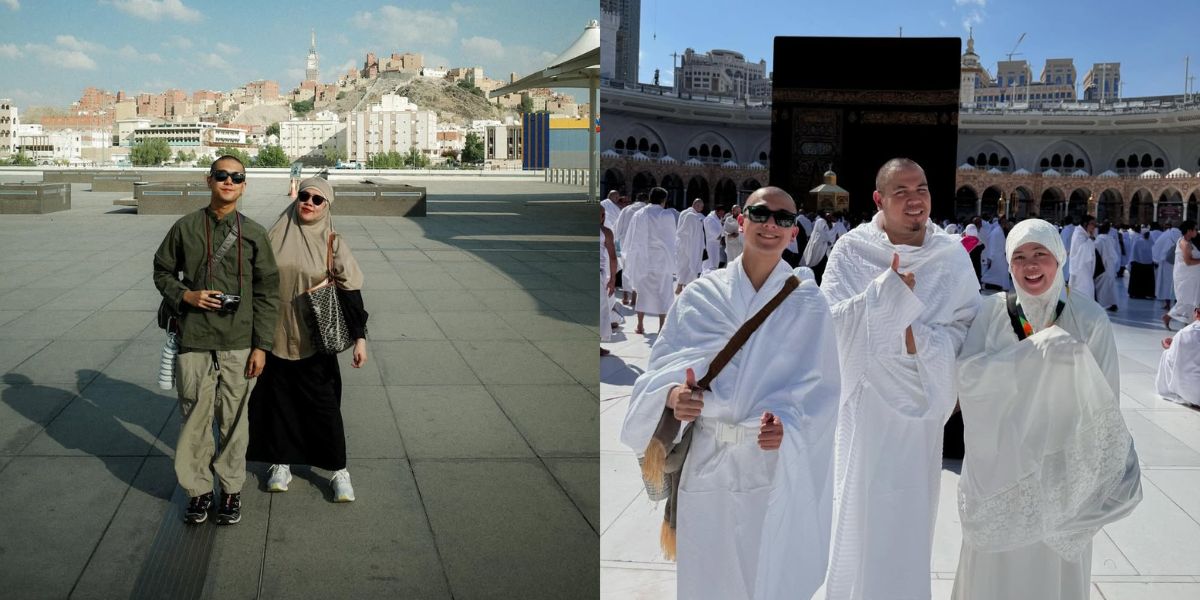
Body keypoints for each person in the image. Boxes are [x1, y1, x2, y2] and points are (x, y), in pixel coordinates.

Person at [621, 186, 840, 600]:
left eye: (783, 219)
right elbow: (660, 370)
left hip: (769, 466)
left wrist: (789, 426)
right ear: (741, 220)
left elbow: (824, 390)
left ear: (795, 233)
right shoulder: (702, 295)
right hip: (708, 465)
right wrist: (672, 397)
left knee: (766, 578)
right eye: (760, 214)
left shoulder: (809, 304)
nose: (770, 225)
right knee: (707, 579)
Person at [953, 218, 1142, 600]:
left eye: (1041, 254)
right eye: (1019, 256)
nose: (1030, 265)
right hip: (1002, 468)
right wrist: (1034, 354)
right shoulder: (992, 313)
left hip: (1063, 471)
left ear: (1060, 258)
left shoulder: (1089, 319)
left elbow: (1106, 399)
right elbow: (967, 379)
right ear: (1008, 264)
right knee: (998, 570)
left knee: (1052, 571)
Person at [821, 158, 980, 600]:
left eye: (922, 189)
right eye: (902, 191)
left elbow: (969, 331)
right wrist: (883, 297)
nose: (915, 200)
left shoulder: (950, 256)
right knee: (857, 516)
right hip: (865, 411)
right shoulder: (852, 251)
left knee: (908, 524)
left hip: (919, 417)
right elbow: (828, 327)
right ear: (879, 199)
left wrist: (916, 338)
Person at [153, 155, 281, 525]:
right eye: (222, 175)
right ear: (208, 181)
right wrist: (185, 296)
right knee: (194, 415)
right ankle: (198, 491)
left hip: (239, 340)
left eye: (236, 177)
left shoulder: (254, 233)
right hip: (193, 337)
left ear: (244, 185)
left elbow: (268, 293)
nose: (229, 181)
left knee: (234, 419)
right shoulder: (185, 228)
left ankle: (231, 489)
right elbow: (162, 270)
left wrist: (262, 345)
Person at [247, 177, 368, 503]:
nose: (309, 203)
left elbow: (351, 289)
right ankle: (281, 464)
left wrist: (360, 338)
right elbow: (253, 281)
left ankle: (339, 471)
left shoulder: (332, 241)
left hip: (315, 338)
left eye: (318, 200)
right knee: (278, 403)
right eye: (305, 196)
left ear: (327, 206)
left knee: (323, 407)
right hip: (274, 336)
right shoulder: (274, 234)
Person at [626, 187, 678, 334]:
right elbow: (671, 239)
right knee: (664, 292)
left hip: (643, 259)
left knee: (642, 291)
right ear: (664, 200)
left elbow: (633, 238)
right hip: (661, 260)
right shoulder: (666, 215)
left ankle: (640, 325)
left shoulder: (639, 214)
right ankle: (661, 326)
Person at [1157, 305, 1200, 407]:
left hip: (1191, 395)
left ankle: (1175, 389)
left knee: (1166, 354)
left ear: (1197, 313)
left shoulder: (1184, 333)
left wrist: (1171, 345)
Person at [1165, 220, 1200, 328]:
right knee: (1186, 300)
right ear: (1189, 231)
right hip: (1186, 277)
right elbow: (1188, 262)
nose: (1196, 231)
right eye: (1195, 229)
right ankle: (1168, 317)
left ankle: (1188, 323)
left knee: (1192, 299)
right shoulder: (1184, 243)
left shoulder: (1189, 242)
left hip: (1192, 276)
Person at [616, 193, 646, 306]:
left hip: (625, 244)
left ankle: (625, 297)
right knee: (638, 271)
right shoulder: (646, 210)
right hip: (641, 245)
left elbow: (618, 227)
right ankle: (634, 299)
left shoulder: (626, 209)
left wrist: (617, 243)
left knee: (626, 269)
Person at [675, 199, 706, 293]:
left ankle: (684, 286)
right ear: (694, 205)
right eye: (699, 206)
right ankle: (680, 286)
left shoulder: (695, 215)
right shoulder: (689, 215)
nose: (700, 208)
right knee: (686, 265)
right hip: (688, 245)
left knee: (688, 265)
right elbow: (683, 230)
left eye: (701, 207)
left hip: (691, 245)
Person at [601, 206, 618, 355]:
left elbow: (613, 257)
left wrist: (612, 279)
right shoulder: (606, 232)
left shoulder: (606, 232)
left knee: (601, 309)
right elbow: (613, 257)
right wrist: (612, 278)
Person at [1067, 215, 1097, 301]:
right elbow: (1082, 253)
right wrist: (1091, 240)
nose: (1094, 227)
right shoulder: (1079, 235)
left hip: (1084, 269)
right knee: (1084, 292)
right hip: (1080, 270)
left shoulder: (1083, 234)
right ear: (1085, 224)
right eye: (1092, 224)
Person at [1154, 222, 1181, 311]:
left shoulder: (1167, 236)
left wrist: (1157, 259)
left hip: (1167, 264)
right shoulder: (1180, 236)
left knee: (1167, 284)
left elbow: (1158, 248)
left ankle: (1168, 304)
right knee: (1177, 284)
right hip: (1177, 263)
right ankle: (1177, 304)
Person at [1094, 223, 1121, 311]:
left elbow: (1097, 255)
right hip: (1111, 266)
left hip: (1102, 267)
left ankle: (1101, 304)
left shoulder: (1098, 241)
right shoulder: (1111, 239)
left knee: (1101, 287)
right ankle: (1113, 303)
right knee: (1111, 286)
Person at [980, 217, 1012, 291]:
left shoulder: (1000, 230)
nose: (1007, 224)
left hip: (1001, 256)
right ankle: (984, 280)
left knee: (1000, 272)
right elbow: (992, 245)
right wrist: (990, 257)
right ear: (1002, 223)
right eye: (1005, 222)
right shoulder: (996, 232)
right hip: (996, 256)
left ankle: (1004, 286)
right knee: (998, 272)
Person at [801, 211, 834, 283]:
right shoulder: (817, 237)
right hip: (818, 259)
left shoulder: (822, 235)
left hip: (822, 257)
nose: (825, 228)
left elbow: (827, 240)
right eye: (824, 226)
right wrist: (827, 242)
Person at [1128, 229, 1156, 299]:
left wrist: (1154, 261)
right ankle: (1135, 293)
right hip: (1138, 263)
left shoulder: (1151, 242)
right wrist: (1132, 260)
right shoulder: (1138, 242)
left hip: (1148, 264)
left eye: (1148, 234)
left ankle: (1148, 293)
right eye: (1146, 234)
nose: (1147, 235)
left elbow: (1154, 253)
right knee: (1137, 280)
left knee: (1147, 281)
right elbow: (1134, 252)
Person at [702, 205, 724, 272]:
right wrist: (724, 235)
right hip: (710, 245)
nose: (722, 215)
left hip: (715, 244)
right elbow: (714, 233)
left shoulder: (717, 218)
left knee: (715, 263)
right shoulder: (710, 219)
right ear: (717, 211)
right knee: (710, 264)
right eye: (721, 213)